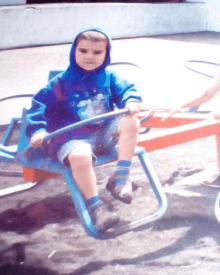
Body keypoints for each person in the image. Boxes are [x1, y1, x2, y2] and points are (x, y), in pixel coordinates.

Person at [26, 28, 143, 233]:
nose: (90, 57)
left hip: (102, 132)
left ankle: (121, 176)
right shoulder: (61, 82)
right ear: (74, 51)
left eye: (97, 52)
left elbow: (126, 90)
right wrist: (38, 130)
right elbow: (39, 107)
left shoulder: (109, 77)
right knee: (80, 156)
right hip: (72, 136)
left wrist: (131, 100)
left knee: (131, 121)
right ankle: (96, 208)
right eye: (84, 51)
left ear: (106, 55)